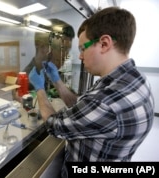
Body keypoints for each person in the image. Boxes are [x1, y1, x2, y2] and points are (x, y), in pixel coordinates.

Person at [29, 7, 155, 178]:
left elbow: (54, 125)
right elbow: (83, 107)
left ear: (104, 44)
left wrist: (40, 89)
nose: (79, 56)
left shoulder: (106, 101)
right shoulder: (136, 79)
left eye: (82, 48)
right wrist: (57, 80)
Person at [23, 18, 75, 91]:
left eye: (68, 49)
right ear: (42, 46)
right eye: (63, 49)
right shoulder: (26, 79)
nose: (66, 55)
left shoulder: (57, 74)